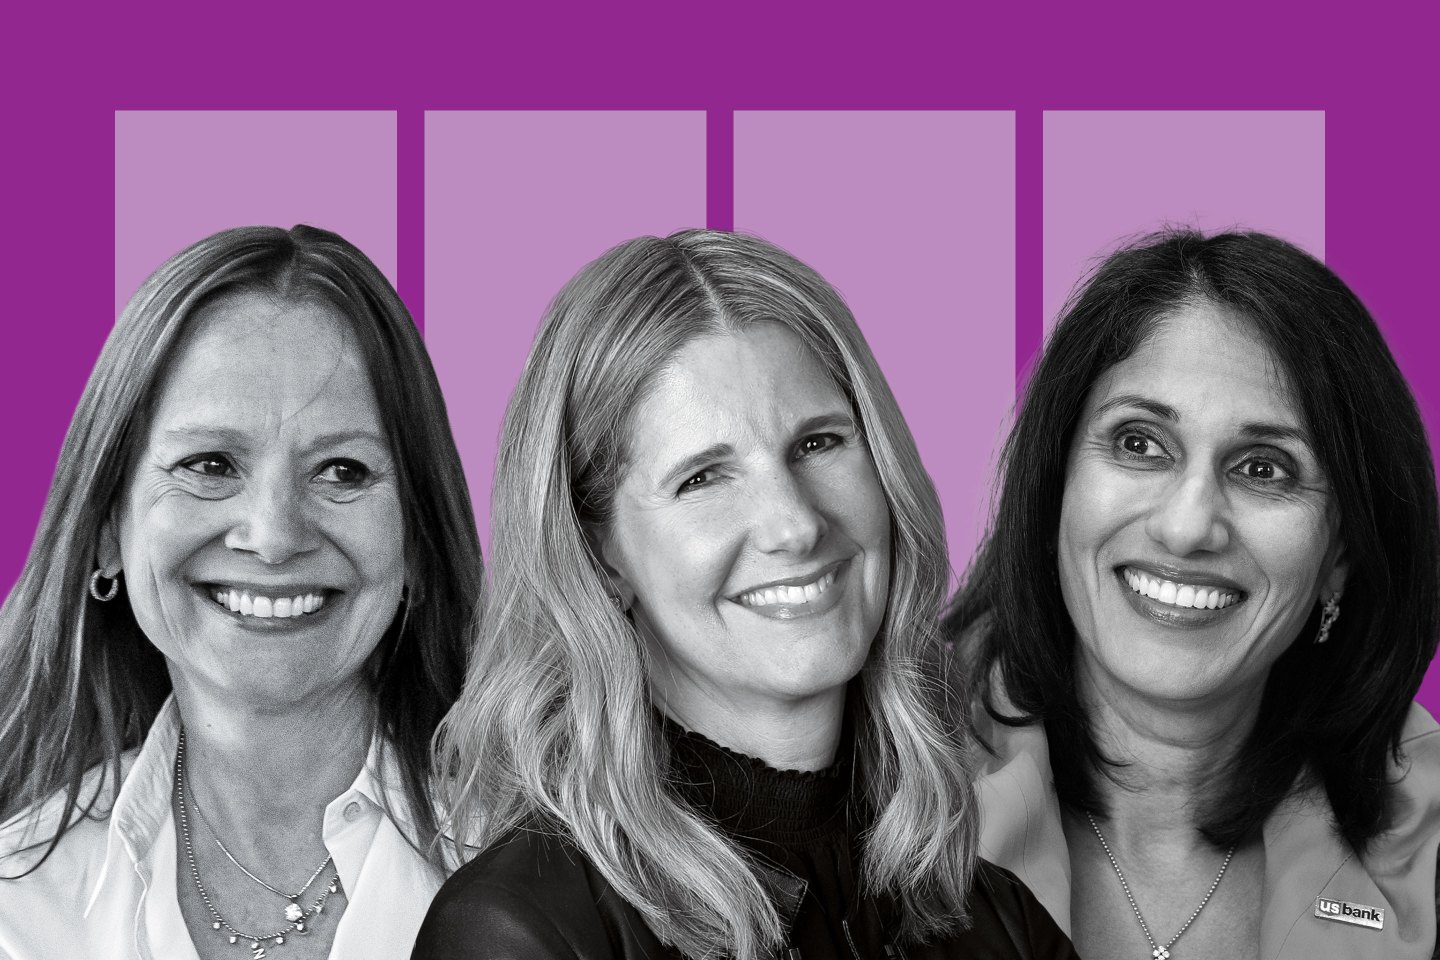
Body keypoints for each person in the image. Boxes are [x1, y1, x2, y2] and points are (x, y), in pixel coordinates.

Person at [412, 230, 1073, 960]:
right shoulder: (518, 932)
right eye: (702, 478)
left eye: (819, 443)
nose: (795, 524)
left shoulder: (1003, 924)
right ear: (599, 554)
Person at [946, 230, 1440, 960]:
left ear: (1340, 554)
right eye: (1139, 443)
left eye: (1264, 468)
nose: (1186, 529)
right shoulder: (864, 797)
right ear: (1056, 489)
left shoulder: (1428, 850)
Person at [0, 225, 483, 960]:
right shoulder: (17, 910)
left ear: (416, 537)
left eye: (343, 471)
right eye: (210, 464)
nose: (274, 536)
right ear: (106, 529)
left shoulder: (560, 872)